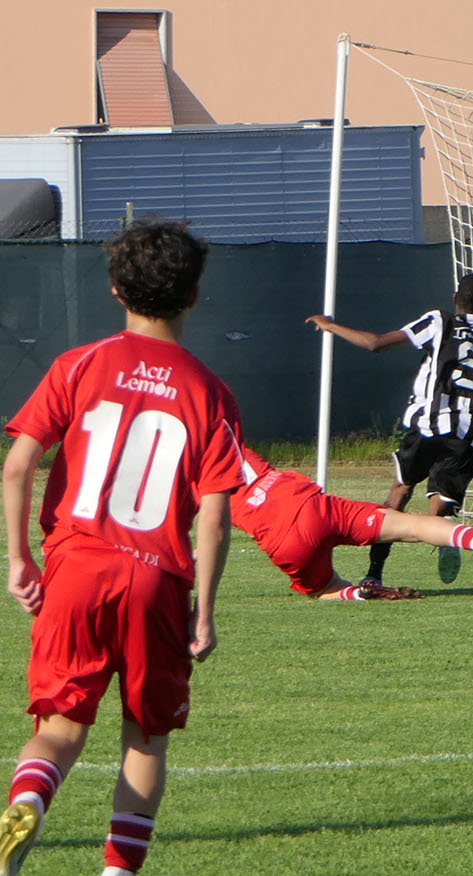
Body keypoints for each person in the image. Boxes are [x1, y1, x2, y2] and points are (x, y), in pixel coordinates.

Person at [1, 219, 245, 876]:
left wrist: (20, 559)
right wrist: (205, 610)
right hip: (156, 579)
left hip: (75, 567)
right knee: (145, 735)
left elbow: (17, 466)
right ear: (194, 296)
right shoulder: (209, 393)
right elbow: (215, 518)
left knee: (60, 728)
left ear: (114, 290)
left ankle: (28, 798)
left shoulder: (78, 365)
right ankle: (116, 873)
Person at [306, 272, 473, 588]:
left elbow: (375, 344)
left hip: (426, 426)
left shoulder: (440, 321)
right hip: (466, 435)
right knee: (434, 518)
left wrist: (330, 325)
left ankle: (374, 574)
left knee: (399, 494)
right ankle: (447, 538)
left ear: (455, 298)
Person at [230, 446, 473, 601]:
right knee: (412, 524)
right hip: (311, 504)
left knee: (323, 587)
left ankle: (360, 593)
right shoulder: (233, 444)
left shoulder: (194, 476)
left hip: (283, 538)